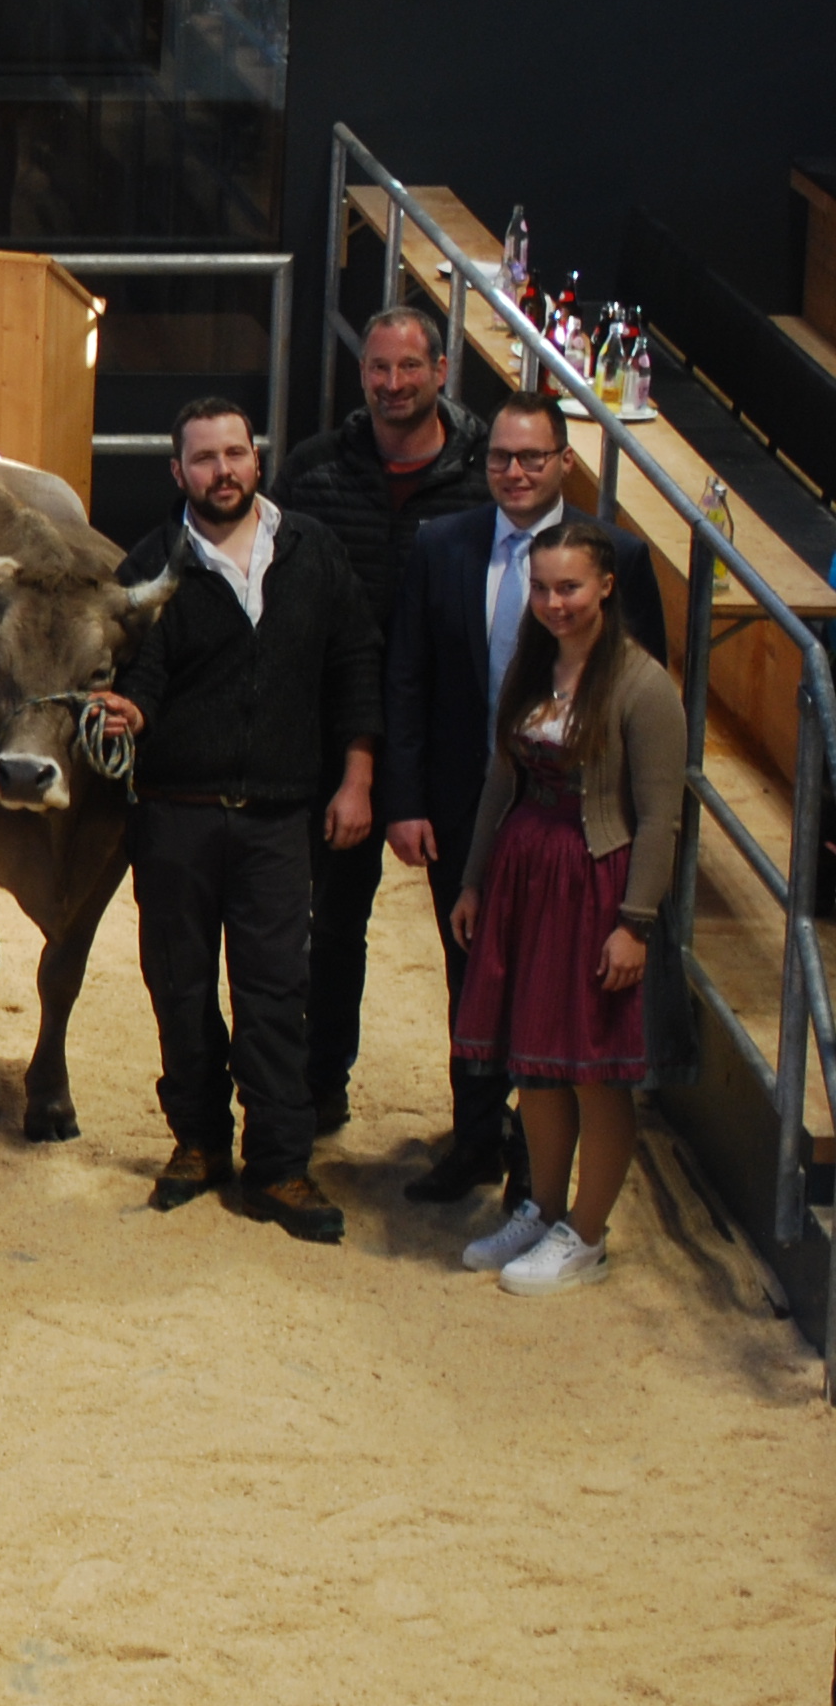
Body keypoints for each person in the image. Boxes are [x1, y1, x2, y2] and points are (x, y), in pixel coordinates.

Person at [97, 398, 384, 1243]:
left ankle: (280, 1165)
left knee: (275, 993)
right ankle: (197, 1142)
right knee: (179, 988)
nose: (222, 471)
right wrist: (134, 712)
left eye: (235, 453)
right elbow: (140, 673)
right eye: (203, 458)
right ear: (177, 472)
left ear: (257, 459)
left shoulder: (312, 550)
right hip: (175, 817)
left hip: (277, 819)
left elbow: (355, 663)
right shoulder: (149, 567)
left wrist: (358, 778)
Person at [382, 390, 668, 1204]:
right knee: (473, 981)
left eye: (532, 457)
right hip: (467, 810)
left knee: (555, 1003)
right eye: (500, 457)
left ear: (565, 463)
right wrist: (405, 798)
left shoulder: (621, 558)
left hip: (579, 831)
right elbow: (408, 676)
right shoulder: (441, 543)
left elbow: (646, 710)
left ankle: (537, 1177)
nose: (513, 471)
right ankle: (476, 1140)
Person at [448, 521, 685, 1293]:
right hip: (526, 876)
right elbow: (500, 782)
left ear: (606, 586)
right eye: (544, 588)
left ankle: (586, 1233)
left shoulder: (644, 686)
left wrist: (634, 924)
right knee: (536, 1061)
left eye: (571, 588)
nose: (555, 603)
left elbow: (661, 817)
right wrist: (474, 880)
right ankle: (542, 1207)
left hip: (594, 883)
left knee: (592, 1068)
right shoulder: (533, 664)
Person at [276, 308, 494, 1137]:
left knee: (471, 931)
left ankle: (479, 1119)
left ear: (440, 371)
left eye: (408, 368)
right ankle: (320, 1084)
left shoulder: (486, 474)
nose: (392, 384)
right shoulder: (313, 470)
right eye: (378, 368)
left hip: (456, 742)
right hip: (340, 737)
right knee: (331, 925)